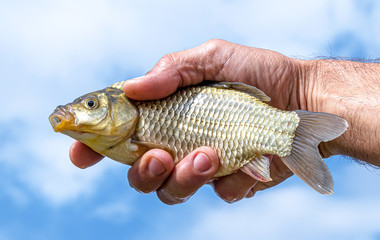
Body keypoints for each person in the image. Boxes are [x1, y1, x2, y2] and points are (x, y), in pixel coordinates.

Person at [69, 39, 380, 205]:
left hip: (237, 110)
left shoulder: (133, 107)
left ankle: (286, 134)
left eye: (92, 105)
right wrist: (304, 89)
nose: (80, 113)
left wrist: (299, 87)